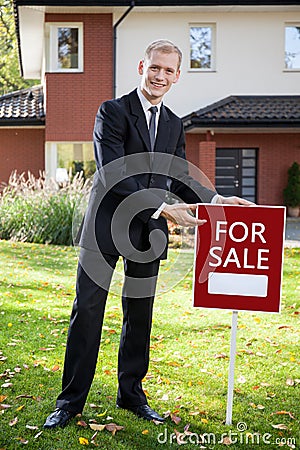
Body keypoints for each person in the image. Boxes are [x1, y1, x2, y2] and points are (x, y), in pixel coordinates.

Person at [43, 40, 251, 429]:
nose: (160, 76)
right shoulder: (113, 111)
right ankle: (70, 402)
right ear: (142, 66)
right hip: (105, 226)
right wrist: (161, 206)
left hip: (147, 232)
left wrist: (217, 197)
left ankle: (131, 395)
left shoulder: (174, 123)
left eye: (169, 71)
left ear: (177, 76)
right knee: (87, 311)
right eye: (155, 68)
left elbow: (181, 175)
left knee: (139, 314)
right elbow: (114, 171)